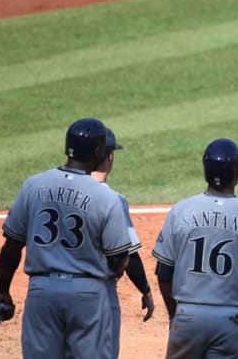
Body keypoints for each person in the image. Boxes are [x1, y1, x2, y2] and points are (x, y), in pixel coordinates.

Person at [0, 118, 132, 359]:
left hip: (41, 292)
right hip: (87, 293)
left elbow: (12, 245)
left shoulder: (33, 185)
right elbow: (118, 258)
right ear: (98, 151)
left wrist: (2, 291)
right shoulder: (105, 197)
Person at [152, 138, 238, 359]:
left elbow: (164, 274)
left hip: (188, 316)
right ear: (236, 174)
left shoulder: (180, 211)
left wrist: (175, 315)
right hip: (231, 319)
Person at [90, 127, 155, 358]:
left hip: (47, 291)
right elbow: (126, 256)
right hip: (95, 296)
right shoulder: (113, 200)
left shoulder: (51, 190)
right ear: (109, 157)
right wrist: (146, 290)